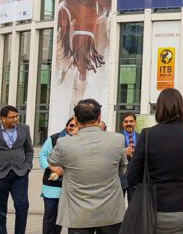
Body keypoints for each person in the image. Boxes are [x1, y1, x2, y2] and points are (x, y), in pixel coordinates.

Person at [126, 89, 183, 233]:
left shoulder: (147, 135)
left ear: (159, 108)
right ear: (181, 107)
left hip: (154, 210)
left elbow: (132, 177)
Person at [48, 99, 127, 233]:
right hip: (110, 210)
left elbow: (52, 160)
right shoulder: (117, 139)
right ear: (99, 117)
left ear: (76, 119)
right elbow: (122, 168)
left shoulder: (64, 143)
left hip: (78, 213)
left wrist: (71, 136)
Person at [0, 105, 33, 234]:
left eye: (16, 116)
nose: (15, 119)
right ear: (2, 118)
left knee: (22, 205)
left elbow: (29, 150)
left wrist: (28, 166)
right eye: (12, 117)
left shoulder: (24, 129)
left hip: (20, 174)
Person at [40, 117, 78, 234]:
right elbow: (42, 156)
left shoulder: (80, 141)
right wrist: (52, 167)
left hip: (71, 187)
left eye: (76, 126)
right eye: (71, 125)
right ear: (66, 126)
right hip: (52, 186)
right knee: (50, 217)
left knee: (64, 219)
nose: (73, 128)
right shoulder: (54, 138)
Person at [120, 112, 137, 199]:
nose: (129, 124)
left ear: (135, 122)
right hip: (120, 179)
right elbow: (112, 154)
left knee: (134, 209)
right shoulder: (117, 137)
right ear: (123, 123)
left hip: (135, 180)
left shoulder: (141, 137)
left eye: (131, 121)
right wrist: (123, 153)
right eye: (126, 122)